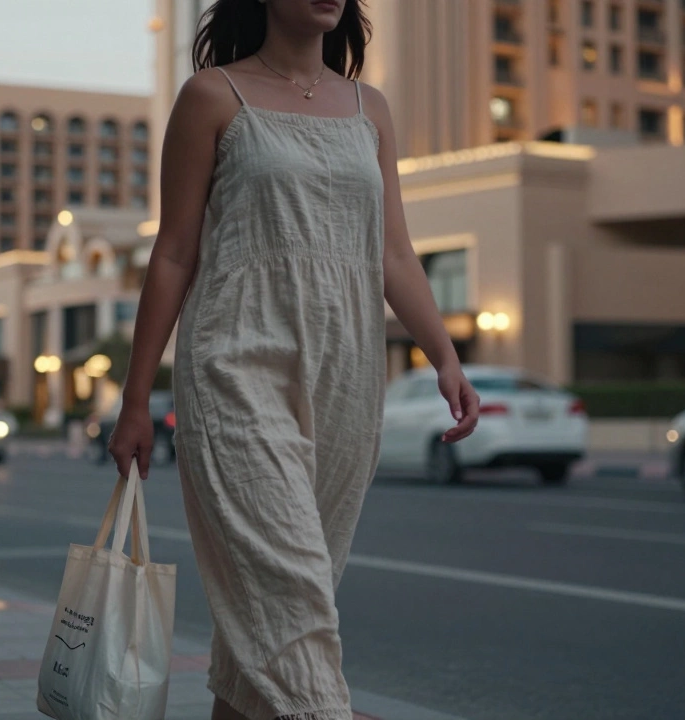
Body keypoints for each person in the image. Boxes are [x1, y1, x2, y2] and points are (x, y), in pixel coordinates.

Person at [109, 1, 480, 718]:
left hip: (344, 372)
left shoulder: (369, 108)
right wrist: (134, 401)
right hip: (234, 365)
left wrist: (445, 355)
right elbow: (175, 253)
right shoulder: (213, 96)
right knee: (295, 604)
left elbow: (394, 251)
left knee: (264, 627)